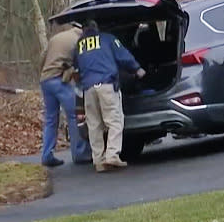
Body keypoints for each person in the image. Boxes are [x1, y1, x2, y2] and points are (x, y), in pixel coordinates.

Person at [73, 20, 146, 172]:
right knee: (115, 121)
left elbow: (76, 68)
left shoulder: (79, 45)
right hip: (106, 85)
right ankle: (112, 155)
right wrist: (137, 69)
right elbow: (123, 56)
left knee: (94, 125)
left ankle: (98, 159)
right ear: (97, 27)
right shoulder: (107, 38)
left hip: (88, 88)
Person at [38, 22, 92, 167]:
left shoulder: (56, 38)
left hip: (45, 79)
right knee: (75, 114)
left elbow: (43, 58)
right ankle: (80, 153)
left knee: (50, 119)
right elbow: (82, 63)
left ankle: (47, 155)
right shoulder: (79, 41)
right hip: (58, 80)